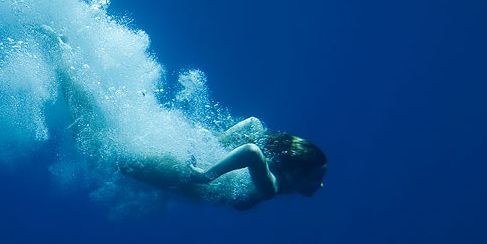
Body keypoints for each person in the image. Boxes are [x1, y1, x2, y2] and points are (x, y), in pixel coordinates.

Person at [37, 25, 327, 211]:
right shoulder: (271, 188)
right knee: (95, 144)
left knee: (108, 135)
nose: (320, 185)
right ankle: (63, 57)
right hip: (185, 171)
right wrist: (207, 174)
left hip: (184, 160)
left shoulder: (274, 177)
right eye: (317, 178)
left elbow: (252, 124)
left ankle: (67, 59)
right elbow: (252, 152)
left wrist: (218, 142)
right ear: (296, 171)